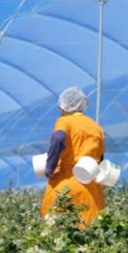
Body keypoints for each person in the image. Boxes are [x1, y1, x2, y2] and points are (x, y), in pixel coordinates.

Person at [40, 87, 105, 227]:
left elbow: (58, 138)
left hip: (66, 182)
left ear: (64, 107)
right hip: (90, 187)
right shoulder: (96, 127)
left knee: (57, 226)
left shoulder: (65, 121)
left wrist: (49, 168)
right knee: (88, 227)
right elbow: (100, 159)